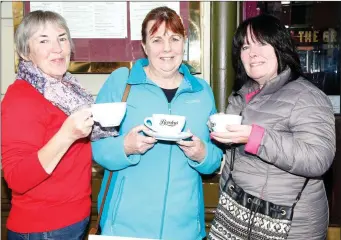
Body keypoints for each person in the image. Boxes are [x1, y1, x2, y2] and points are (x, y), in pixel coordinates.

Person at [91, 6, 223, 240]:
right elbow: (98, 150)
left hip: (184, 229)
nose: (167, 49)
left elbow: (214, 160)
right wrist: (126, 146)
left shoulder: (201, 91)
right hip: (124, 227)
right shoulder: (121, 82)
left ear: (184, 42)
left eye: (174, 38)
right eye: (157, 39)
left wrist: (201, 153)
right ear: (144, 46)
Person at [209, 14, 335, 239]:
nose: (252, 53)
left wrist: (256, 138)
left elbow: (318, 159)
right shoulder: (241, 95)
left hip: (289, 225)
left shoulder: (307, 96)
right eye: (246, 47)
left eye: (261, 43)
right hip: (238, 215)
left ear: (280, 47)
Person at [1, 10, 116, 240]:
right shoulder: (21, 97)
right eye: (44, 40)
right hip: (42, 229)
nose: (58, 48)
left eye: (62, 38)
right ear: (25, 52)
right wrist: (66, 136)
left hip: (74, 220)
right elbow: (16, 178)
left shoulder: (67, 91)